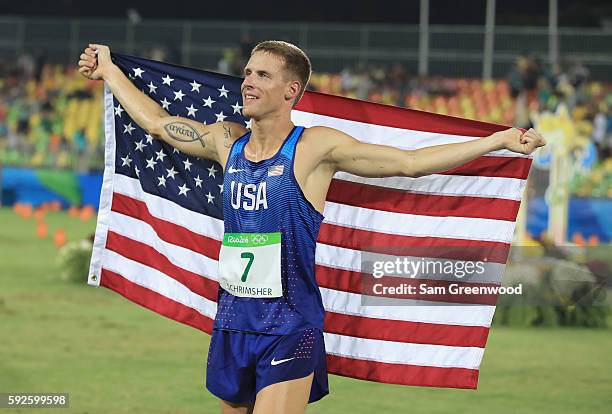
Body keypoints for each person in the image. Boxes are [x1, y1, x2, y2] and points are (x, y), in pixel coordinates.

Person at [78, 40, 546, 414]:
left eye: (262, 75)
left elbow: (410, 161)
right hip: (232, 323)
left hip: (289, 326)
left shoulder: (314, 149)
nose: (248, 82)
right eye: (247, 72)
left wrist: (498, 140)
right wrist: (110, 71)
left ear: (291, 92)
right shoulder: (227, 142)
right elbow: (160, 125)